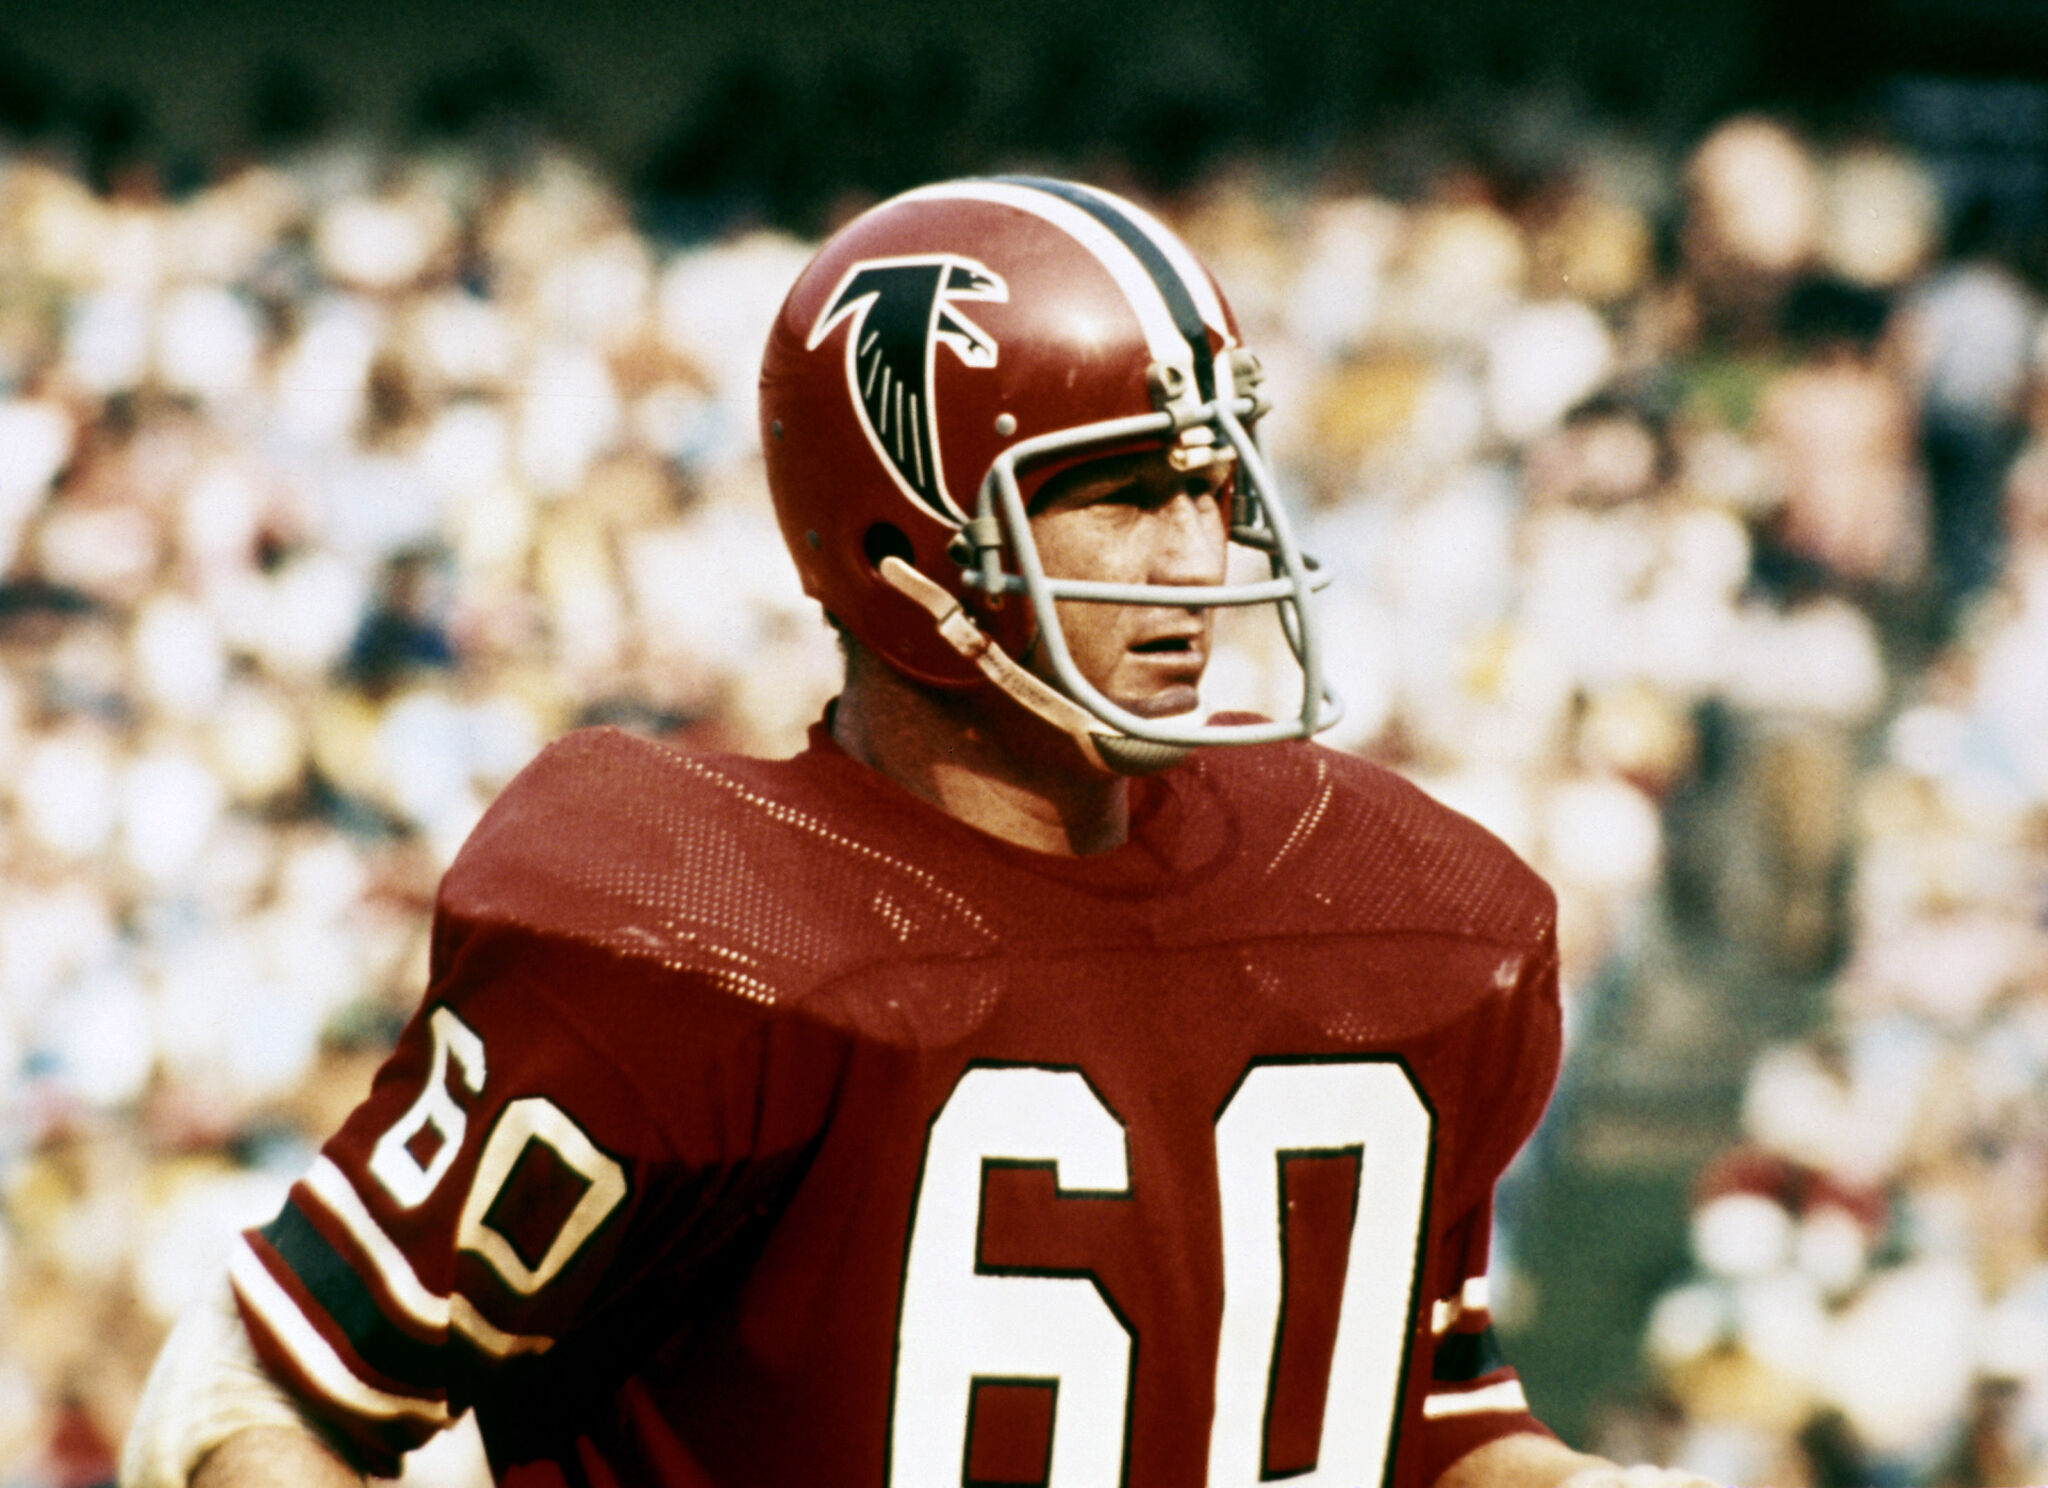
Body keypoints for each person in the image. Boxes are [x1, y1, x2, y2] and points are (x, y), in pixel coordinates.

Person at [122, 177, 1713, 1488]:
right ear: (903, 546)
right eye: (1110, 492)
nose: (1188, 554)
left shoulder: (1396, 907)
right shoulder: (694, 932)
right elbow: (275, 1392)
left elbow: (1414, 1411)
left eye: (1206, 477)